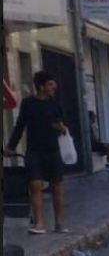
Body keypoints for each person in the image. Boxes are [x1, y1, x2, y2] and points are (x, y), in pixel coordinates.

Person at [4, 71, 69, 234]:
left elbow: (63, 127)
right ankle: (39, 223)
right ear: (41, 86)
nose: (54, 87)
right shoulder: (28, 104)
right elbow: (20, 125)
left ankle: (59, 222)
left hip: (53, 150)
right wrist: (10, 146)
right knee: (35, 184)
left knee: (57, 185)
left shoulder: (56, 104)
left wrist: (61, 128)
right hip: (34, 151)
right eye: (51, 84)